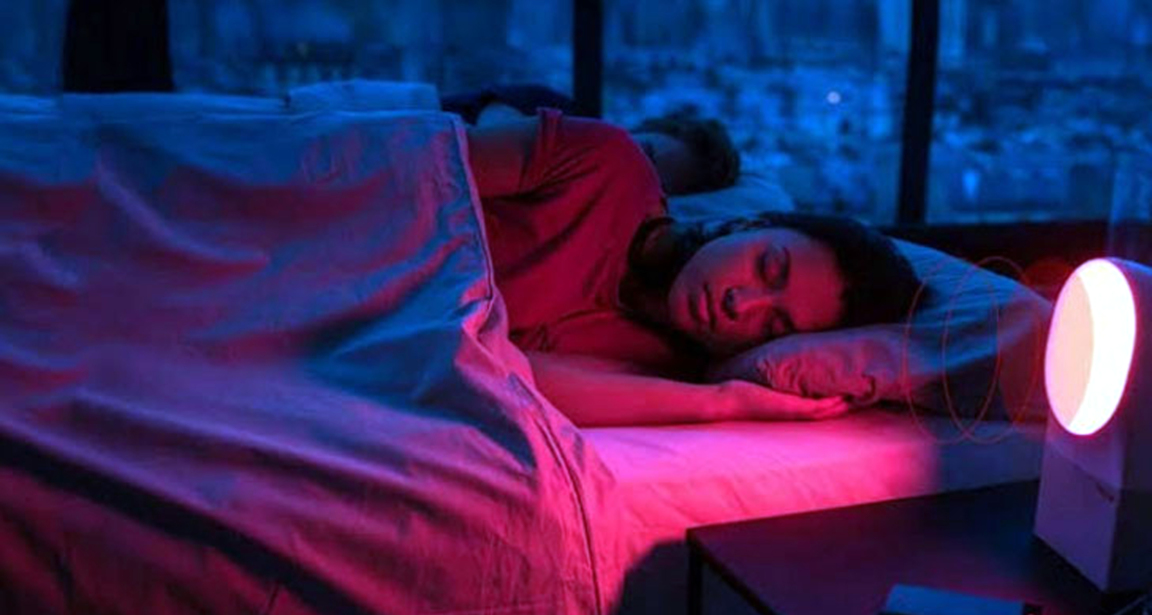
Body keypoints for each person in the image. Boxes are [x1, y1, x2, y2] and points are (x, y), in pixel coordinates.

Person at [466, 109, 921, 428]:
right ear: (748, 224)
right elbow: (432, 168)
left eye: (773, 325)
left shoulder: (666, 363)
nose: (740, 303)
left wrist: (726, 402)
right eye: (766, 267)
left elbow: (518, 380)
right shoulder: (606, 165)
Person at [444, 83, 740, 195]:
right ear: (640, 128)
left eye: (651, 181)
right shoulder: (563, 113)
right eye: (644, 152)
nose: (633, 168)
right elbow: (491, 132)